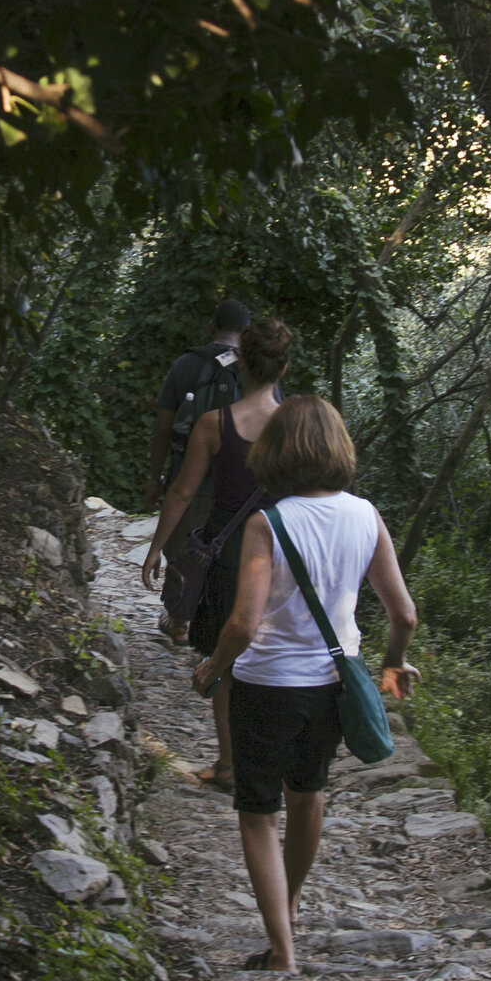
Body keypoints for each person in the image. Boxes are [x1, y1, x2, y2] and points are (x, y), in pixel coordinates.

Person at [191, 394, 418, 973]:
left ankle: (283, 953)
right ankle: (288, 906)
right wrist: (393, 665)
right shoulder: (366, 516)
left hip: (267, 684)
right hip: (330, 686)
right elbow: (404, 614)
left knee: (258, 813)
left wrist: (213, 667)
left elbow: (243, 623)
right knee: (308, 794)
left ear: (276, 452)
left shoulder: (270, 522)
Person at [140, 314, 291, 781]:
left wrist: (156, 548)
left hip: (231, 552)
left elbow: (183, 492)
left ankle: (228, 762)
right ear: (283, 370)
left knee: (225, 657)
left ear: (240, 363)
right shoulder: (296, 423)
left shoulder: (214, 423)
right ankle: (274, 757)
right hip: (285, 549)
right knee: (275, 653)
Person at [149, 299, 251, 516]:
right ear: (246, 332)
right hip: (241, 492)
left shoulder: (184, 364)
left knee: (182, 550)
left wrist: (154, 479)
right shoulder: (255, 369)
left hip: (187, 487)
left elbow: (163, 430)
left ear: (212, 326)